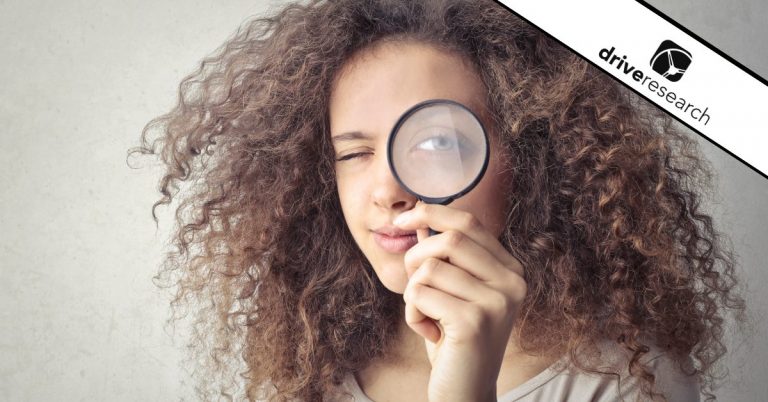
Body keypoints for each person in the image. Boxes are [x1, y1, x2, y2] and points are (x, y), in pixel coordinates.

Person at [129, 0, 747, 401]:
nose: (388, 188)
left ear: (527, 162)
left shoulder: (625, 383)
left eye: (437, 141)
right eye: (353, 153)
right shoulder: (310, 374)